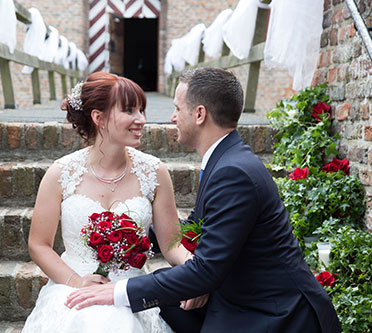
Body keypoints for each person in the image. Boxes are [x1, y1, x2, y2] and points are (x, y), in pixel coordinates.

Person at [66, 67, 342, 333]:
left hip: (274, 312)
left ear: (199, 114)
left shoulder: (233, 172)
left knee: (136, 305)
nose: (172, 117)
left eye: (177, 108)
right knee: (153, 309)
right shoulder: (225, 160)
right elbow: (197, 231)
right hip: (240, 293)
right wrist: (132, 231)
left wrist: (116, 291)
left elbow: (206, 270)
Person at [22, 72, 195, 332]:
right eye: (129, 110)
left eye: (141, 110)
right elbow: (38, 244)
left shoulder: (154, 172)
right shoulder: (61, 173)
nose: (141, 120)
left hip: (130, 289)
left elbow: (172, 244)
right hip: (74, 286)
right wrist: (77, 282)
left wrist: (197, 274)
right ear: (98, 118)